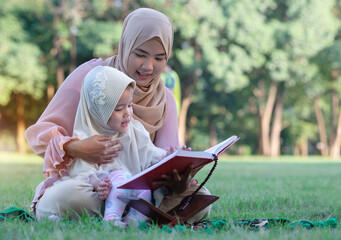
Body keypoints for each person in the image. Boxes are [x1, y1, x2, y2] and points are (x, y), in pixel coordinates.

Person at [25, 8, 210, 223]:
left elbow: (162, 158)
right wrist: (77, 148)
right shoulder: (93, 77)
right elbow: (38, 137)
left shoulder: (165, 98)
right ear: (125, 46)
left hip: (141, 191)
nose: (148, 66)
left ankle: (128, 213)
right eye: (140, 54)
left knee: (200, 199)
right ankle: (141, 216)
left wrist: (176, 180)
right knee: (66, 196)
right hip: (93, 186)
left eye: (159, 58)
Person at [68, 66, 166, 227]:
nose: (127, 113)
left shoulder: (134, 130)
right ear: (100, 112)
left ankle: (133, 223)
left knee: (146, 192)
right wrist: (96, 183)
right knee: (120, 181)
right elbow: (82, 170)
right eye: (119, 108)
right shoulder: (88, 137)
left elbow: (150, 153)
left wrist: (168, 156)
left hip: (133, 188)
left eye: (130, 105)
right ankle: (111, 219)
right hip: (108, 188)